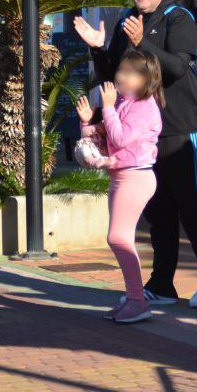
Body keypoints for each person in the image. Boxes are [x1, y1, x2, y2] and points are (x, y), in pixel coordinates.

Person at [74, 0, 197, 309]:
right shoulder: (127, 23)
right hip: (141, 136)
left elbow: (177, 68)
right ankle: (162, 284)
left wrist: (144, 44)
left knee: (192, 206)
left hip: (179, 129)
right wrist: (97, 48)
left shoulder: (179, 19)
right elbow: (114, 76)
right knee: (158, 211)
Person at [76, 51, 164, 324]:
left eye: (129, 72)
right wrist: (86, 122)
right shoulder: (125, 102)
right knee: (119, 237)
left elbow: (122, 138)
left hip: (136, 177)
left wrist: (109, 108)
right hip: (120, 175)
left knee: (118, 238)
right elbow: (103, 140)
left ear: (146, 78)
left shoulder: (145, 106)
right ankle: (133, 298)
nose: (120, 77)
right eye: (120, 71)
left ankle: (137, 301)